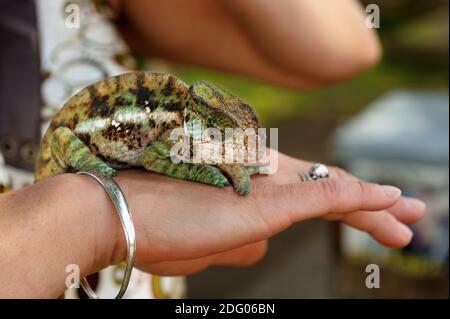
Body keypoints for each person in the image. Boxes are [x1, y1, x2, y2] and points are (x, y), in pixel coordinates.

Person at [0, 0, 425, 298]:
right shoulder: (172, 130)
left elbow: (345, 49)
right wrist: (90, 219)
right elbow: (152, 157)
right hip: (62, 169)